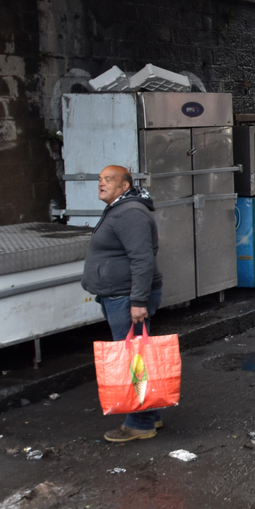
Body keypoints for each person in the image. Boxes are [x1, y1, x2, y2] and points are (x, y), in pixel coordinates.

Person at [82, 165, 166, 443]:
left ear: (125, 186)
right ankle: (150, 415)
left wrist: (138, 301)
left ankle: (140, 423)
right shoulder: (119, 209)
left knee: (134, 360)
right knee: (137, 356)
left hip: (127, 297)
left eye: (109, 179)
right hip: (120, 295)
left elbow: (142, 258)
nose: (101, 183)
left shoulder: (130, 213)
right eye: (100, 179)